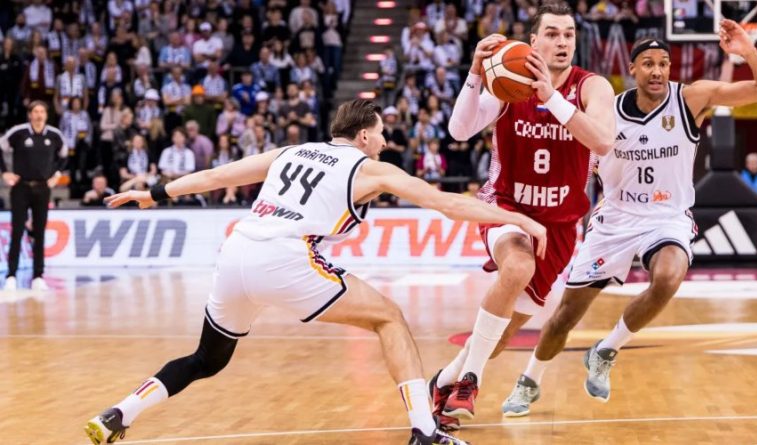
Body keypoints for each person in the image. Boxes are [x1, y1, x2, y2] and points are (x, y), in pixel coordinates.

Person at [84, 99, 548, 445]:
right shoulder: (370, 169)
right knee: (390, 318)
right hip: (286, 257)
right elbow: (448, 203)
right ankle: (424, 432)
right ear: (364, 135)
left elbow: (215, 176)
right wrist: (520, 220)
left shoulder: (291, 151)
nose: (385, 141)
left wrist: (155, 194)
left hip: (236, 250)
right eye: (382, 133)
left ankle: (119, 413)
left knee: (207, 358)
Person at [497, 19, 757, 417]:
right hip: (614, 219)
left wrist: (748, 52)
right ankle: (529, 381)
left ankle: (607, 350)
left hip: (667, 217)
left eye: (664, 63)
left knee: (668, 276)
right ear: (632, 70)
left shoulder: (691, 99)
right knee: (564, 318)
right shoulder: (605, 109)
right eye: (648, 63)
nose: (657, 71)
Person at [430, 2, 616, 430]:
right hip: (506, 207)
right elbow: (459, 131)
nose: (562, 42)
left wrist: (553, 99)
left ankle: (442, 382)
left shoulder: (593, 87)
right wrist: (476, 73)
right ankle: (471, 381)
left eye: (568, 34)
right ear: (532, 41)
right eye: (552, 33)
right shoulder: (509, 81)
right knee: (517, 265)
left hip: (560, 225)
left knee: (497, 337)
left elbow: (603, 141)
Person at [0, 101, 68, 291]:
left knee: (39, 232)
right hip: (21, 187)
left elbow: (64, 155)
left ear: (46, 115)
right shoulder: (19, 132)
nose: (39, 115)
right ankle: (11, 275)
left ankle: (38, 275)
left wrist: (56, 175)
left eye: (42, 112)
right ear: (29, 114)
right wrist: (4, 172)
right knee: (17, 231)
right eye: (35, 112)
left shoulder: (54, 135)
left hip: (42, 188)